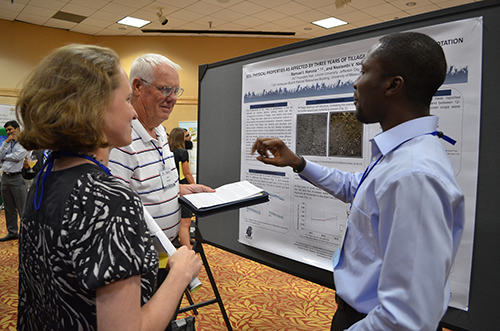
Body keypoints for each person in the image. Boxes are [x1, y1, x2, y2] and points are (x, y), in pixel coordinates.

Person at [252, 32, 465, 331]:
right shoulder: (400, 155)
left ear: (393, 86)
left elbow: (406, 318)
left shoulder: (415, 175)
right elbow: (357, 188)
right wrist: (298, 163)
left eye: (365, 71)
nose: (356, 82)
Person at [16, 44, 201, 330]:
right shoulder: (109, 198)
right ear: (92, 107)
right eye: (127, 99)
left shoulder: (46, 177)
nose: (134, 113)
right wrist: (180, 273)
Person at [108, 53, 213, 282]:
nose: (173, 98)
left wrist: (181, 191)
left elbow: (151, 186)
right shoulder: (123, 140)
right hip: (140, 262)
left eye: (176, 91)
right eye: (165, 89)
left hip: (167, 253)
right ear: (137, 86)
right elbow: (116, 210)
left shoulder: (162, 133)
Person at [0, 120, 29, 242]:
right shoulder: (7, 143)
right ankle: (12, 232)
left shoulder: (24, 143)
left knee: (22, 208)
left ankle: (26, 234)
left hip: (18, 178)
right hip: (5, 178)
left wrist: (5, 158)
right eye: (7, 130)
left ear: (17, 129)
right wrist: (6, 143)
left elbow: (18, 157)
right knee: (8, 207)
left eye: (10, 129)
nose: (8, 132)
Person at [169, 127, 196, 248]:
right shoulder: (182, 152)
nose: (190, 137)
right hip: (183, 188)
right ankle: (188, 253)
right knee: (185, 223)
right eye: (186, 136)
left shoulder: (168, 151)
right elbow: (187, 173)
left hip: (171, 189)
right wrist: (195, 187)